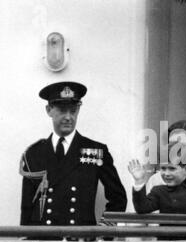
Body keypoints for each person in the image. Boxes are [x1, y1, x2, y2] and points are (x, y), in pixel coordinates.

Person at [20, 81, 127, 226]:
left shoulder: (96, 151)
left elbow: (118, 198)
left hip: (80, 241)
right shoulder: (33, 153)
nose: (68, 117)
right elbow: (27, 206)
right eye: (62, 110)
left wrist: (103, 231)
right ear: (49, 110)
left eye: (73, 110)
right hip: (43, 241)